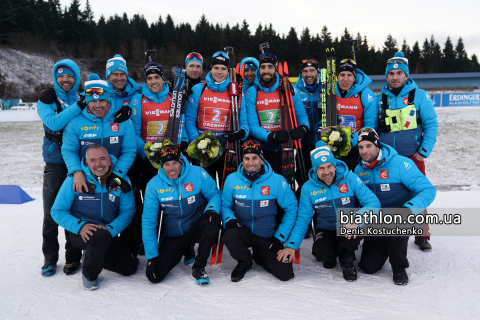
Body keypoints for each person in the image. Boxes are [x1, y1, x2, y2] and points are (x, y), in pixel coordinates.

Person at [61, 74, 137, 254]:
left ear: (108, 99)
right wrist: (76, 171)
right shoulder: (75, 122)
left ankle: (125, 246)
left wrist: (117, 174)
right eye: (93, 102)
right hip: (85, 173)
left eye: (102, 101)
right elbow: (69, 150)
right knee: (75, 205)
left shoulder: (122, 120)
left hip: (117, 171)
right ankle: (72, 253)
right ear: (86, 101)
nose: (97, 105)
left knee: (125, 206)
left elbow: (129, 150)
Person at [354, 128, 436, 285]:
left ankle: (399, 267)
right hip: (377, 219)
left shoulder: (400, 163)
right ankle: (383, 243)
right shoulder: (359, 169)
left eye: (369, 146)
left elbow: (428, 190)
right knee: (368, 267)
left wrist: (409, 209)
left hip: (402, 215)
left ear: (377, 145)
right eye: (361, 147)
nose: (364, 151)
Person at [51, 145, 138, 290]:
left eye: (102, 159)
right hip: (80, 231)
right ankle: (89, 275)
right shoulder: (75, 179)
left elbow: (128, 211)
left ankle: (92, 255)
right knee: (99, 238)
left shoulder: (121, 180)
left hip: (107, 232)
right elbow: (57, 211)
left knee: (128, 268)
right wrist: (79, 226)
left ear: (109, 160)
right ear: (86, 163)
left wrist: (111, 229)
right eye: (93, 160)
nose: (98, 164)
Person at [293, 141, 380, 281]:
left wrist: (357, 220)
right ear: (315, 170)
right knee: (321, 253)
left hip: (349, 224)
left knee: (349, 242)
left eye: (329, 166)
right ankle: (332, 252)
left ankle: (347, 259)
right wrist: (292, 244)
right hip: (325, 226)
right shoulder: (308, 188)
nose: (326, 172)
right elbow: (303, 219)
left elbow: (373, 202)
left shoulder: (350, 178)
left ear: (334, 165)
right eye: (321, 168)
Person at [377, 52, 438, 251]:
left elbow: (431, 124)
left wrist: (423, 151)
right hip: (386, 159)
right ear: (386, 76)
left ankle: (422, 234)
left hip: (413, 156)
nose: (395, 77)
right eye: (391, 73)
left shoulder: (419, 96)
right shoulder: (379, 99)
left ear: (406, 76)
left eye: (399, 73)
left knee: (418, 192)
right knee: (386, 193)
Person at [130, 62, 190, 259]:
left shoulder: (174, 99)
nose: (153, 81)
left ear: (163, 79)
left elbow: (182, 128)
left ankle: (174, 237)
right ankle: (149, 239)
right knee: (152, 202)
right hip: (151, 161)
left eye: (157, 77)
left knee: (173, 200)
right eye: (149, 78)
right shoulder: (138, 101)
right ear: (145, 81)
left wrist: (182, 145)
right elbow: (136, 133)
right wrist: (148, 154)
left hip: (172, 160)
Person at [220, 140, 303, 282]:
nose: (250, 163)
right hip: (243, 231)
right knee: (229, 236)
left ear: (262, 160)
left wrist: (280, 236)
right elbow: (224, 204)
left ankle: (260, 255)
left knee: (285, 274)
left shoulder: (277, 180)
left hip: (268, 235)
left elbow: (292, 209)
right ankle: (245, 262)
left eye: (254, 158)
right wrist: (229, 219)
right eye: (246, 158)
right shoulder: (232, 179)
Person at [142, 145, 221, 285]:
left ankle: (199, 266)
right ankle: (186, 247)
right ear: (161, 165)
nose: (171, 168)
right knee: (154, 275)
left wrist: (211, 209)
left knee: (212, 219)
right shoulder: (153, 185)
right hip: (174, 234)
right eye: (166, 164)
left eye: (175, 163)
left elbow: (214, 193)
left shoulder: (197, 173)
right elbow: (149, 221)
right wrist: (151, 255)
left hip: (197, 227)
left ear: (181, 161)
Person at [37, 59, 84, 276]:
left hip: (78, 163)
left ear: (76, 78)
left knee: (75, 210)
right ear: (56, 78)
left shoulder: (81, 97)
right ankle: (49, 258)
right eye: (61, 76)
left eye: (70, 76)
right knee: (51, 213)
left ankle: (73, 257)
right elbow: (54, 124)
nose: (65, 80)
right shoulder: (47, 98)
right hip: (55, 163)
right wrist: (80, 106)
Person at [185, 51, 249, 184]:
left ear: (228, 71)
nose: (219, 72)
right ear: (211, 68)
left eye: (223, 68)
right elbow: (190, 120)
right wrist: (197, 144)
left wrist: (242, 132)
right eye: (216, 68)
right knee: (205, 190)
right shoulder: (199, 89)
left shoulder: (235, 91)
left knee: (227, 189)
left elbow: (243, 121)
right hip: (203, 150)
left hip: (227, 149)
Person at [245, 52, 310, 174]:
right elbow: (252, 125)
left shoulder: (288, 88)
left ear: (275, 69)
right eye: (263, 67)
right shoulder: (253, 92)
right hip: (263, 149)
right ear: (259, 69)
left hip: (286, 147)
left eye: (270, 67)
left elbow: (301, 114)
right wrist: (271, 136)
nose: (266, 71)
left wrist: (304, 128)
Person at [333, 58, 378, 171]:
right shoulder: (331, 93)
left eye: (349, 75)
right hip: (336, 146)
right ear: (337, 77)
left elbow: (370, 126)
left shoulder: (365, 94)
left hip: (358, 146)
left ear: (355, 77)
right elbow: (324, 117)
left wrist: (348, 141)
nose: (345, 79)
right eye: (342, 75)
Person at [293, 58, 323, 174]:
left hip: (322, 142)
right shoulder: (295, 90)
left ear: (317, 72)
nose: (308, 74)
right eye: (305, 71)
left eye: (312, 70)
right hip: (303, 144)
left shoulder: (326, 89)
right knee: (302, 175)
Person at [105, 54, 139, 122]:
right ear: (108, 77)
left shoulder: (135, 95)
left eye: (122, 74)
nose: (119, 78)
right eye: (115, 74)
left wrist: (130, 111)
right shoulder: (101, 93)